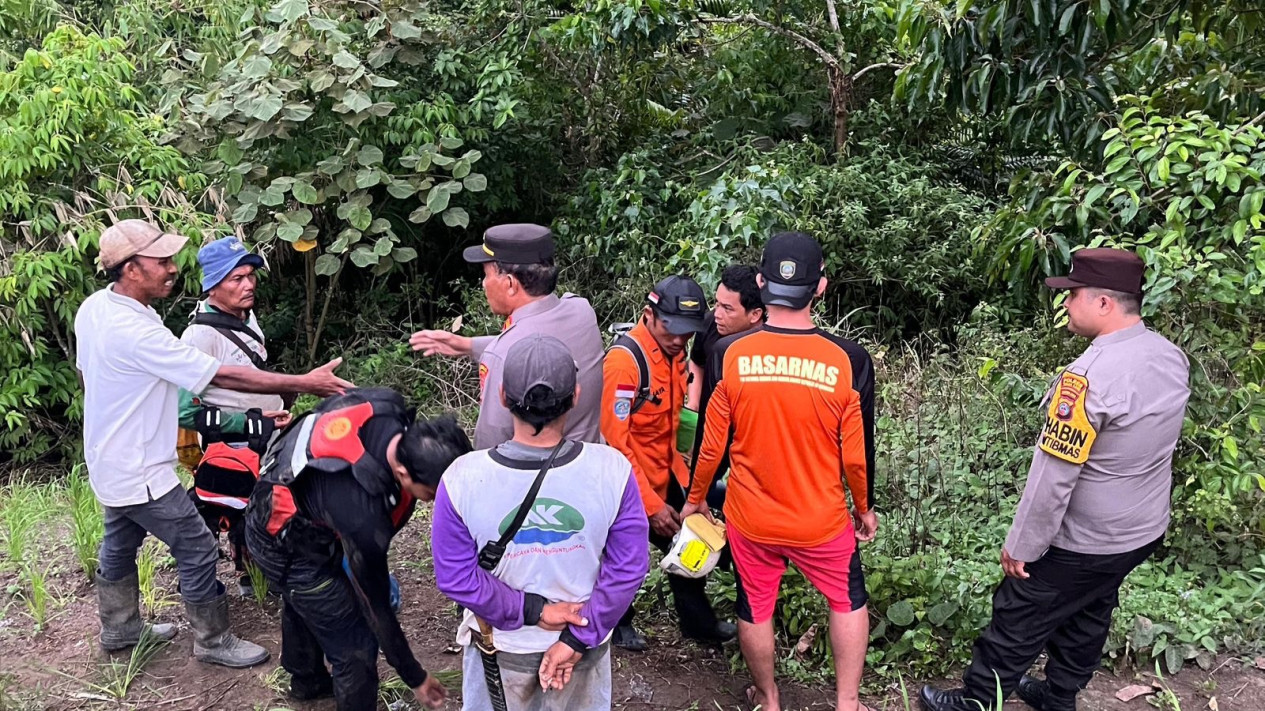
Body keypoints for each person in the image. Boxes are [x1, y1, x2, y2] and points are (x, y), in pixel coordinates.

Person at [919, 248, 1191, 711]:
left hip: (1084, 539)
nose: (1065, 304)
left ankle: (980, 699)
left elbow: (1054, 478)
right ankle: (1059, 694)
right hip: (1140, 530)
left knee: (1019, 610)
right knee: (1090, 609)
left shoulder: (1086, 379)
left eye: (1073, 295)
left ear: (1103, 303)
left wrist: (1022, 544)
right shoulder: (1169, 356)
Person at [74, 219, 352, 668]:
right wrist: (305, 382)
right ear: (129, 269)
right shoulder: (140, 331)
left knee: (120, 539)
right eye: (159, 261)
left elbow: (86, 376)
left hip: (108, 456)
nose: (171, 268)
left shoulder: (96, 308)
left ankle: (120, 627)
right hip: (142, 466)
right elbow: (217, 375)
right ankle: (212, 639)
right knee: (198, 546)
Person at [682, 232, 878, 711]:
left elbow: (712, 443)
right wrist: (865, 508)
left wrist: (695, 497)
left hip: (753, 518)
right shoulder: (848, 361)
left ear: (762, 282)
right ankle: (847, 704)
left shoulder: (728, 353)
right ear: (822, 287)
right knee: (847, 600)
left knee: (756, 606)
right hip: (823, 520)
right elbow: (857, 455)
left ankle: (769, 699)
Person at [432, 334, 650, 711]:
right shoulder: (612, 470)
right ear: (577, 395)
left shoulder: (460, 478)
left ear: (501, 396)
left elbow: (456, 576)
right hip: (584, 651)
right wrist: (579, 640)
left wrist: (532, 610)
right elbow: (628, 567)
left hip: (498, 651)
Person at [243, 388, 472, 710]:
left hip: (303, 503)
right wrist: (415, 676)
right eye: (433, 494)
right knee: (356, 645)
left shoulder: (386, 406)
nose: (437, 502)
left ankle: (307, 681)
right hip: (282, 541)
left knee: (314, 603)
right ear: (404, 473)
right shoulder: (362, 517)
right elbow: (377, 607)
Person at [601, 275, 736, 651]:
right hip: (627, 481)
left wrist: (693, 495)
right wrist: (651, 506)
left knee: (689, 542)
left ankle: (699, 625)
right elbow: (616, 445)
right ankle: (616, 624)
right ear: (649, 315)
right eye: (671, 329)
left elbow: (673, 434)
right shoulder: (625, 363)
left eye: (687, 333)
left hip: (666, 471)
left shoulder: (676, 358)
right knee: (625, 558)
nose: (679, 340)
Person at [408, 224, 605, 449]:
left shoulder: (501, 356)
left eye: (486, 275)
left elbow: (490, 444)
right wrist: (468, 345)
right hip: (588, 462)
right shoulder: (582, 311)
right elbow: (540, 341)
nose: (483, 284)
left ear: (510, 284)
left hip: (536, 478)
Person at [177, 236, 291, 596]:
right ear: (213, 286)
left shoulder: (247, 316)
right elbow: (184, 409)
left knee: (261, 506)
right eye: (236, 279)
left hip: (264, 437)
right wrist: (247, 423)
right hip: (229, 444)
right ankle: (200, 589)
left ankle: (252, 576)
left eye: (250, 275)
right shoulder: (199, 336)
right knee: (216, 510)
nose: (248, 285)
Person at [685, 264, 764, 509]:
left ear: (755, 314)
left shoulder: (766, 346)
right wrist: (694, 404)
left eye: (727, 308)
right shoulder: (712, 322)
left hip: (748, 435)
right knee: (696, 483)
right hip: (708, 425)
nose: (717, 313)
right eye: (717, 303)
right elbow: (696, 362)